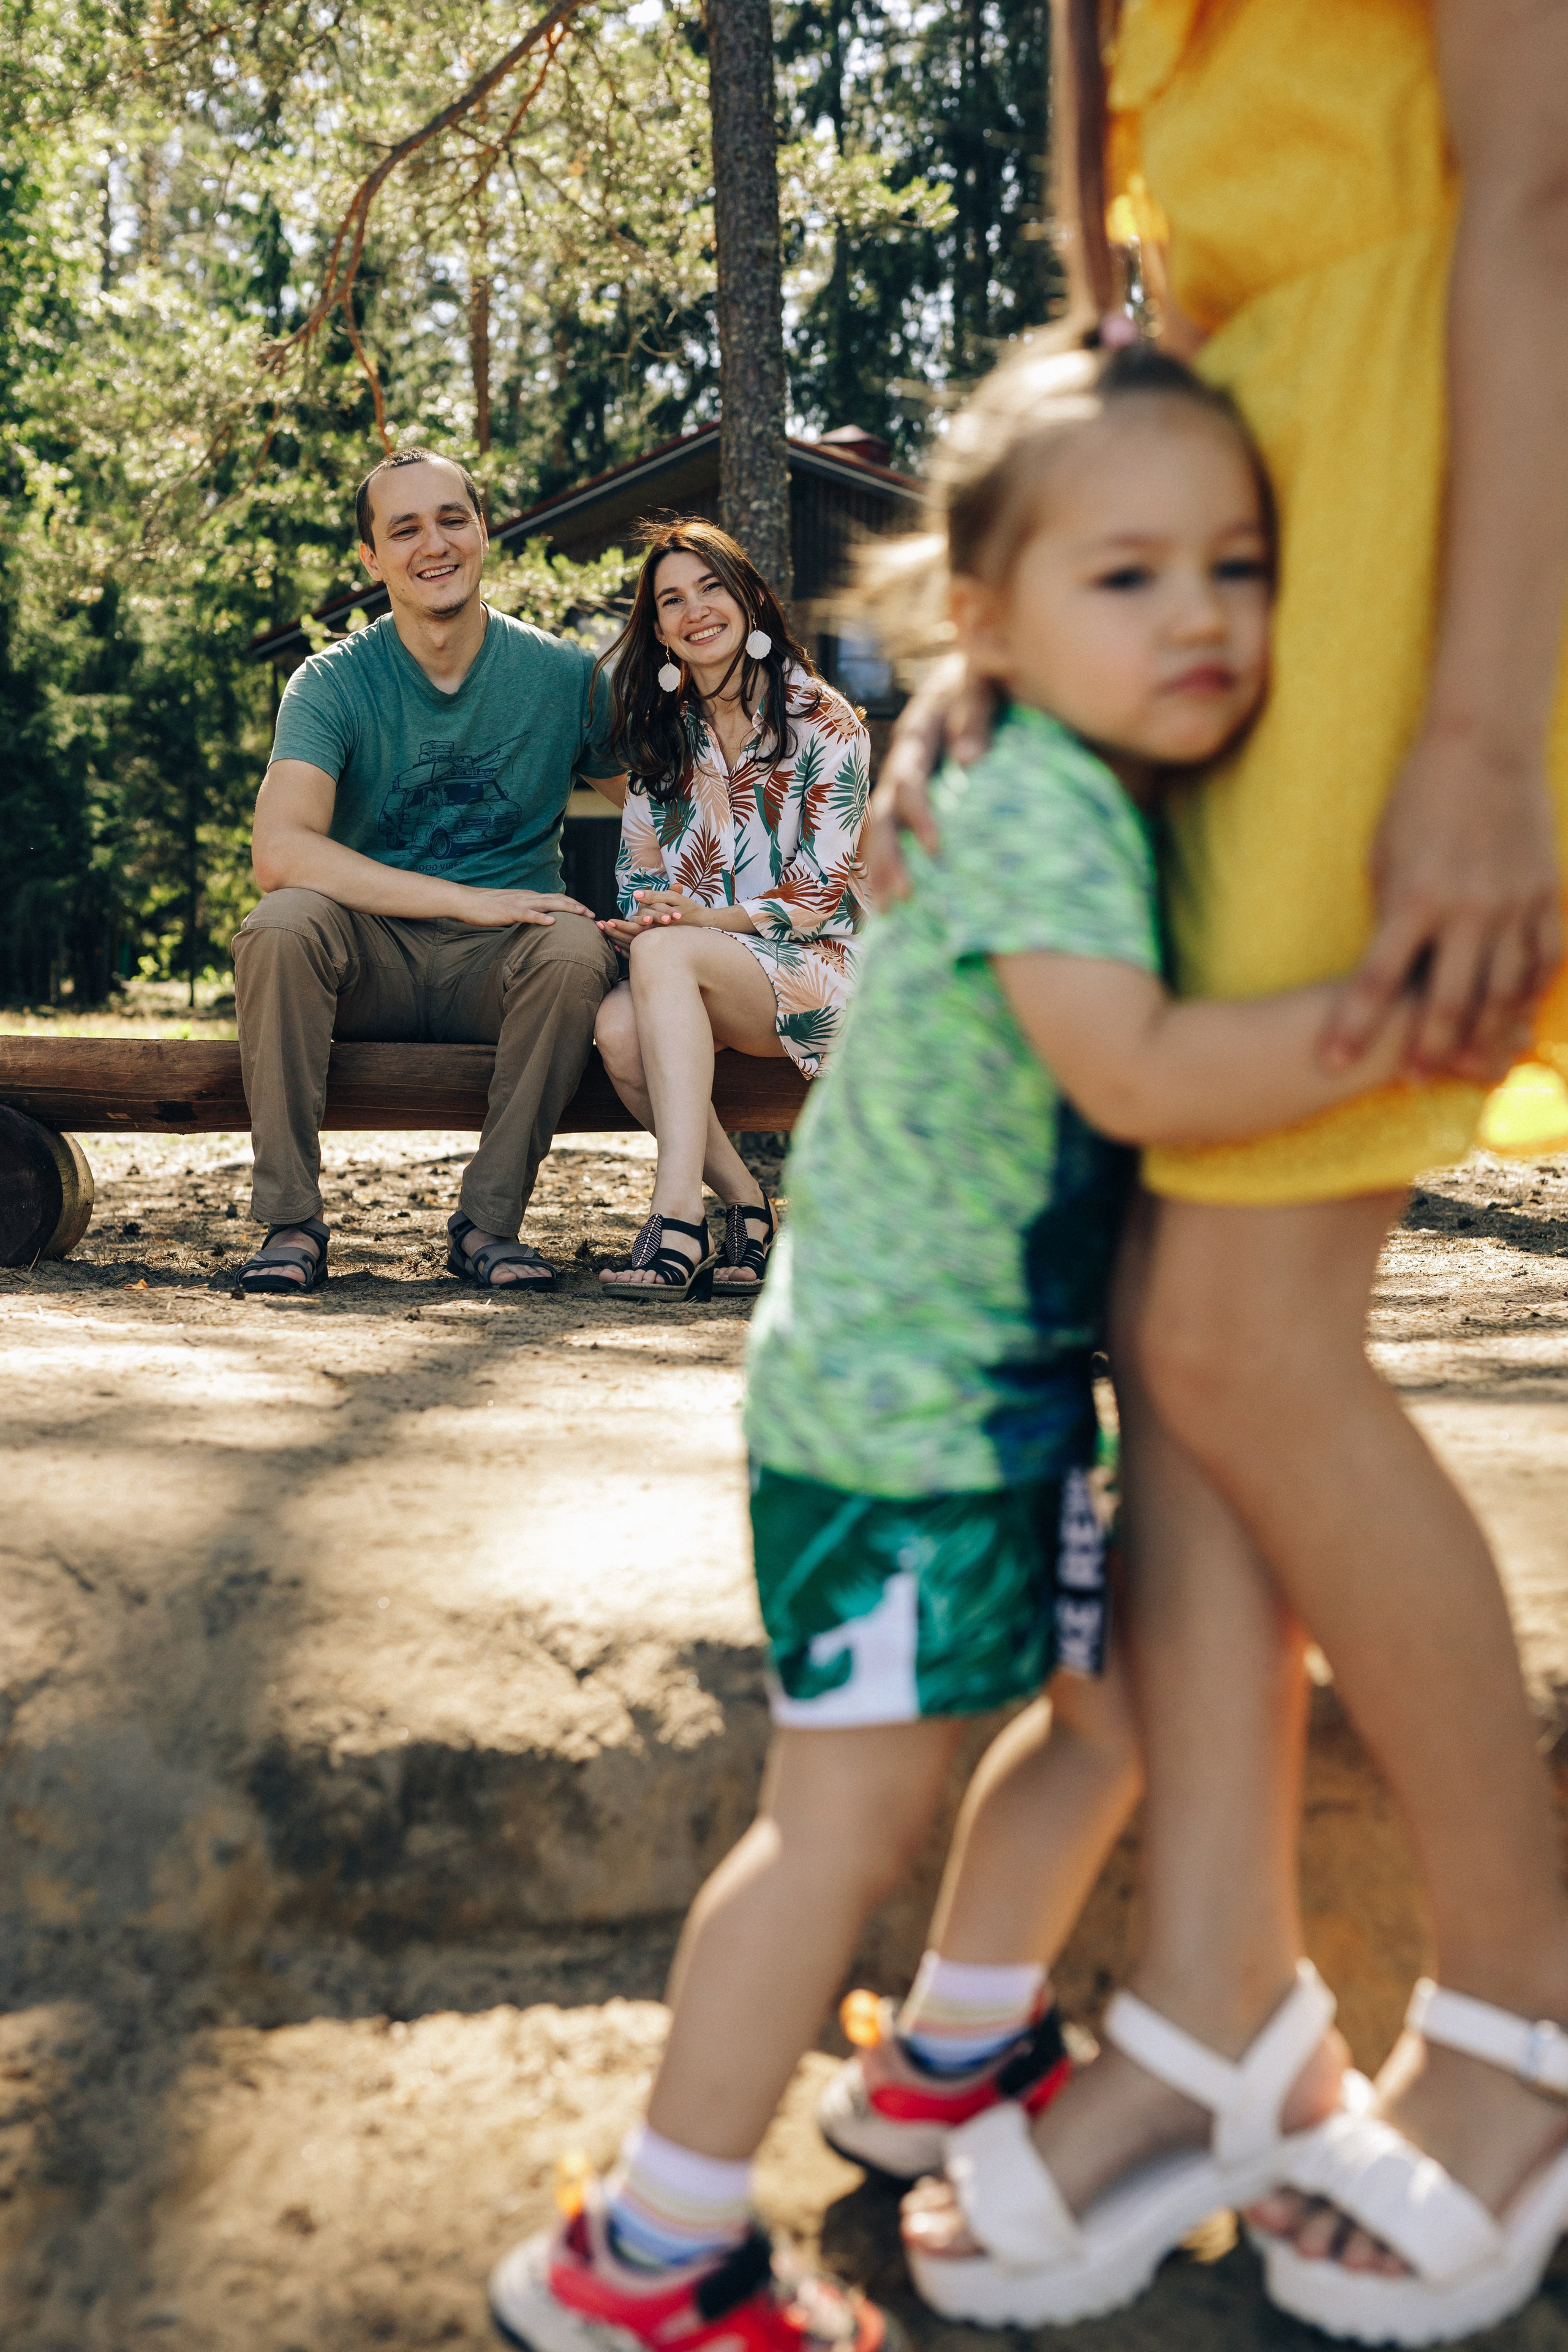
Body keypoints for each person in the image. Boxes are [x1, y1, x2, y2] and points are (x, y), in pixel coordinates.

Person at [487, 342, 1423, 2352]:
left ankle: (945, 2055)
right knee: (835, 1821)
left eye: (1235, 569)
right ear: (987, 619)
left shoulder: (1025, 764)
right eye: (1125, 575)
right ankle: (642, 2255)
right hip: (899, 1424)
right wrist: (1395, 1017)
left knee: (1107, 1707)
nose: (1195, 615)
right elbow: (1139, 1061)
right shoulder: (1051, 806)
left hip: (971, 1398)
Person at [872, 2, 1568, 2340]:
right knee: (1165, 1314)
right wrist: (1011, 635)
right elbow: (1134, 272)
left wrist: (1478, 735)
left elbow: (1535, 175)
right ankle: (1209, 1998)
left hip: (1438, 483)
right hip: (1249, 500)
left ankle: (1521, 2017)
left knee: (1233, 1327)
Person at [228, 447, 624, 1297]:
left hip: (505, 965)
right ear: (371, 558)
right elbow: (282, 852)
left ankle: (487, 1226)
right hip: (366, 956)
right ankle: (291, 1222)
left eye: (453, 518)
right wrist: (463, 901)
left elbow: (668, 805)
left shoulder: (563, 677)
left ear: (484, 531)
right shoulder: (331, 683)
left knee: (574, 946)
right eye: (404, 528)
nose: (433, 544)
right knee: (279, 927)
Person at [590, 521, 870, 1302]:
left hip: (825, 969)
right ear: (659, 632)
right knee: (616, 1031)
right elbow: (636, 875)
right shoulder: (660, 738)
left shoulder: (825, 720)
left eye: (711, 586)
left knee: (667, 955)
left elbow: (819, 895)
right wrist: (645, 920)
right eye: (671, 600)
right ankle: (745, 1203)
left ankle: (675, 1216)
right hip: (697, 971)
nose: (695, 610)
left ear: (748, 596)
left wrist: (695, 928)